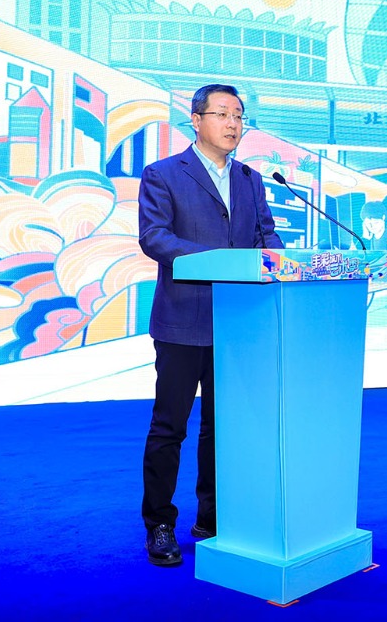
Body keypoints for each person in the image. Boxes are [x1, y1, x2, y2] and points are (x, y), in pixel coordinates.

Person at [137, 83, 284, 566]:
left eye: (239, 115)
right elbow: (155, 237)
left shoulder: (250, 179)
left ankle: (213, 515)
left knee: (223, 428)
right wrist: (220, 261)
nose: (233, 123)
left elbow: (266, 236)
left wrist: (283, 263)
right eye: (222, 114)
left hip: (237, 323)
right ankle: (160, 524)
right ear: (196, 120)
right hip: (183, 322)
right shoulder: (163, 174)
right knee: (170, 427)